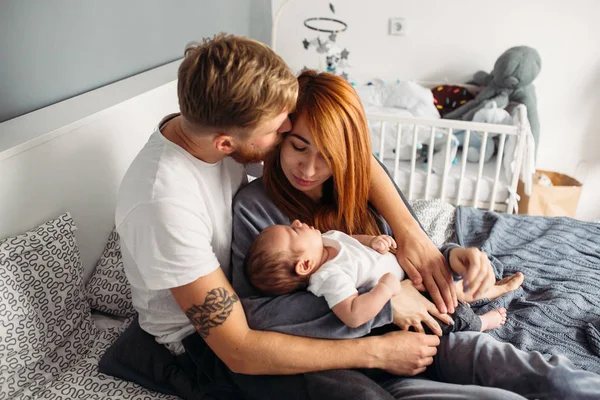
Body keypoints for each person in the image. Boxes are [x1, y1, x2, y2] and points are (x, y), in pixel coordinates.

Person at [115, 34, 466, 400]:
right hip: (207, 347)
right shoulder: (164, 205)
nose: (285, 131)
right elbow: (238, 349)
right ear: (225, 144)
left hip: (262, 308)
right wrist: (377, 350)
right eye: (278, 130)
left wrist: (411, 234)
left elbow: (351, 155)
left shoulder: (204, 125)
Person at [231, 69, 600, 399]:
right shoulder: (254, 208)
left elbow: (408, 251)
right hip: (355, 361)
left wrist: (453, 257)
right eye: (298, 146)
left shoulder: (365, 187)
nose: (309, 169)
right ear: (281, 135)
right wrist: (388, 303)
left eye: (328, 155)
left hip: (428, 332)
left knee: (554, 379)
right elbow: (260, 315)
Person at [245, 221, 507, 333]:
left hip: (405, 270)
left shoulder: (327, 239)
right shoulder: (329, 277)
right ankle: (480, 323)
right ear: (304, 265)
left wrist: (373, 241)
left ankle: (482, 289)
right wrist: (385, 289)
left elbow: (352, 241)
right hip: (403, 292)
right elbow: (353, 314)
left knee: (445, 275)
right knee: (448, 316)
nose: (298, 223)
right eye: (293, 232)